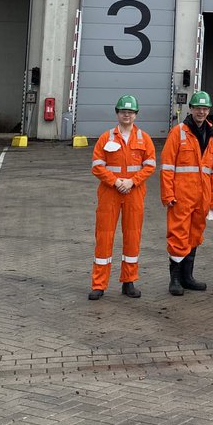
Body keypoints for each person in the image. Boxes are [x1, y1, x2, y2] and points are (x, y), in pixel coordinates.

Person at [88, 95, 156, 300]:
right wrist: (116, 182)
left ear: (136, 115)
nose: (127, 115)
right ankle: (99, 285)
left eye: (131, 112)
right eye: (123, 111)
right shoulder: (106, 138)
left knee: (133, 236)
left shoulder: (144, 138)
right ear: (117, 114)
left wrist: (132, 182)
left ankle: (129, 282)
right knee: (104, 237)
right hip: (110, 193)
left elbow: (150, 165)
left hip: (134, 193)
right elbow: (97, 166)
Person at [160, 91, 213, 297]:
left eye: (205, 109)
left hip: (201, 197)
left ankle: (188, 277)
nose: (201, 112)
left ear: (209, 110)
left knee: (195, 235)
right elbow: (167, 166)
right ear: (191, 109)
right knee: (178, 235)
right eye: (198, 108)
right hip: (181, 195)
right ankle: (175, 280)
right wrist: (168, 194)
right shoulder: (178, 132)